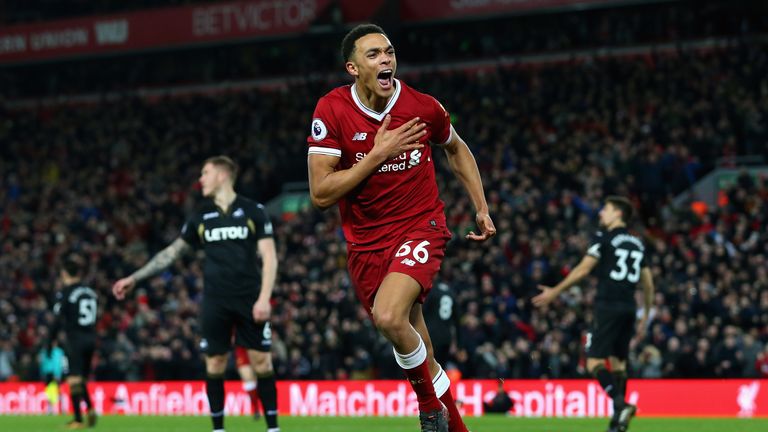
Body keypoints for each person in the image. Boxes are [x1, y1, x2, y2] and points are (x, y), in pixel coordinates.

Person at [306, 24, 496, 432]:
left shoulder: (422, 106)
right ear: (353, 68)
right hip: (366, 244)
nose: (386, 60)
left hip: (420, 225)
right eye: (373, 55)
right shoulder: (332, 110)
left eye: (389, 52)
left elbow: (456, 148)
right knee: (421, 347)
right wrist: (378, 155)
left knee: (390, 317)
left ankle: (429, 411)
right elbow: (320, 195)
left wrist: (480, 206)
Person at [112, 156, 280, 432]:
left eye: (205, 173)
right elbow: (171, 253)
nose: (200, 179)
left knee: (261, 360)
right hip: (215, 301)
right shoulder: (201, 216)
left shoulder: (253, 211)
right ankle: (218, 428)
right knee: (214, 363)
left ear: (223, 175)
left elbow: (269, 257)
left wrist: (264, 298)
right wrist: (135, 277)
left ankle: (273, 427)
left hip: (250, 299)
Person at [533, 196, 654, 432]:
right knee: (619, 364)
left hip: (608, 306)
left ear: (618, 214)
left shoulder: (604, 238)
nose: (601, 213)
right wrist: (645, 315)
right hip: (629, 308)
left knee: (593, 362)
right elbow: (648, 284)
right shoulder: (638, 244)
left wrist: (556, 291)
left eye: (606, 210)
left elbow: (583, 269)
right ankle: (617, 424)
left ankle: (620, 406)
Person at [52, 253, 98, 428]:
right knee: (81, 379)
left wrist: (50, 341)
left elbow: (57, 319)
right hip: (91, 337)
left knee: (73, 378)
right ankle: (90, 409)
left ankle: (78, 419)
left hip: (75, 339)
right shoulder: (90, 292)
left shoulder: (66, 293)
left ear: (64, 273)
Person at [423, 282, 461, 366]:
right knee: (441, 367)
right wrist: (458, 343)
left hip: (430, 335)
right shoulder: (451, 293)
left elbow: (422, 312)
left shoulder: (431, 292)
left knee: (428, 366)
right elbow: (457, 321)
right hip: (446, 337)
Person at [235, 345, 262, 419]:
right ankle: (256, 408)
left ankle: (263, 407)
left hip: (255, 345)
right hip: (241, 347)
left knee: (259, 378)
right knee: (248, 381)